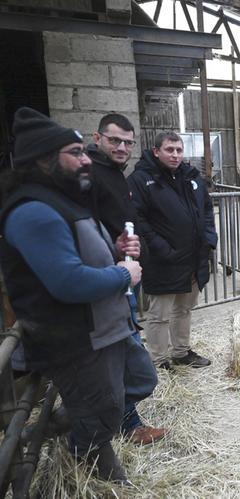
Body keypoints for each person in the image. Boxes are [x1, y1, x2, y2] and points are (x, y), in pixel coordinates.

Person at [0, 107, 143, 483]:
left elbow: (75, 258)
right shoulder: (33, 211)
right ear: (45, 160)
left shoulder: (59, 201)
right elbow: (67, 281)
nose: (85, 161)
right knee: (104, 412)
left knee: (121, 394)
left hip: (99, 327)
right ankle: (89, 463)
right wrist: (121, 272)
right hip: (76, 335)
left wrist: (112, 248)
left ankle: (61, 433)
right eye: (76, 153)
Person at [88, 113, 167, 445]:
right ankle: (119, 422)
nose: (122, 147)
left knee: (125, 346)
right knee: (122, 353)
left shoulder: (115, 175)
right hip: (106, 277)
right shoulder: (91, 175)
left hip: (121, 271)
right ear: (97, 138)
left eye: (127, 142)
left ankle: (125, 419)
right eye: (114, 140)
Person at [128, 131, 216, 369]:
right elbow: (138, 218)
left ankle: (181, 351)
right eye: (169, 150)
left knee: (184, 308)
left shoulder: (191, 176)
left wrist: (209, 238)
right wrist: (159, 246)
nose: (175, 155)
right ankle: (158, 360)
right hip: (163, 259)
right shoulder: (141, 179)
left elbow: (207, 209)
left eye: (178, 150)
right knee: (159, 314)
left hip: (193, 257)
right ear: (156, 151)